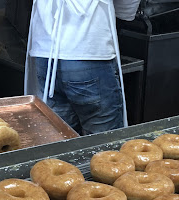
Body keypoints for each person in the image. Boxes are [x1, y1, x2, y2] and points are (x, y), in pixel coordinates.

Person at [25, 0, 140, 135]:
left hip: (45, 53)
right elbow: (127, 6)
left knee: (62, 140)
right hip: (88, 51)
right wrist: (125, 15)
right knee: (102, 144)